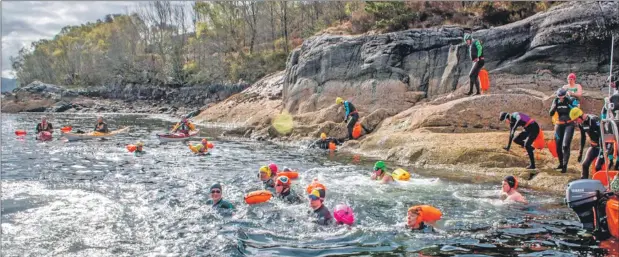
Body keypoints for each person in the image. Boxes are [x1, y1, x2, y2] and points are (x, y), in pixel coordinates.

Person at [549, 88, 579, 173]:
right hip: (559, 124)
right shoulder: (556, 100)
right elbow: (550, 113)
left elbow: (576, 111)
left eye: (562, 97)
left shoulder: (571, 99)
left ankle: (565, 166)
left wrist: (569, 105)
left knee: (565, 145)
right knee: (558, 146)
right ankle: (561, 163)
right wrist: (554, 107)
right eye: (559, 97)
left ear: (565, 95)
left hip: (569, 124)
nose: (561, 98)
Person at [570, 108, 604, 179]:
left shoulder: (594, 120)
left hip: (604, 146)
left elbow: (602, 136)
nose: (576, 122)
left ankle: (602, 184)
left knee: (598, 166)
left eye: (576, 120)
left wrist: (602, 151)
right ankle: (584, 183)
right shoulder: (581, 124)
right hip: (594, 146)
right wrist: (581, 152)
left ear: (581, 116)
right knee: (585, 165)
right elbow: (583, 138)